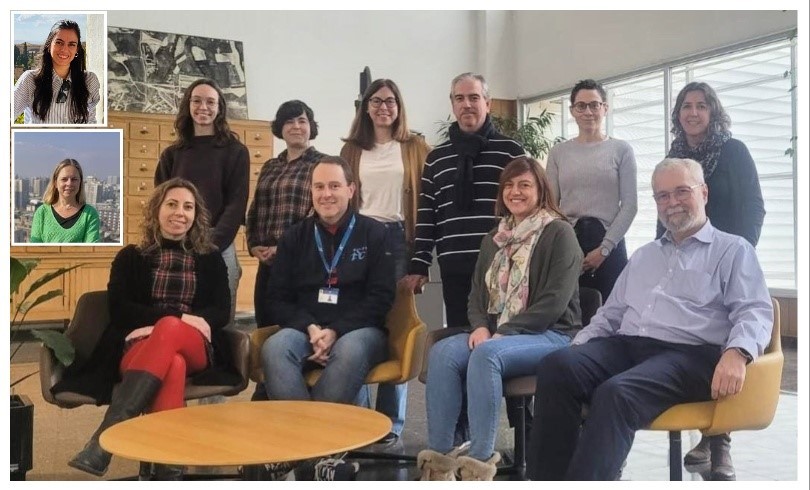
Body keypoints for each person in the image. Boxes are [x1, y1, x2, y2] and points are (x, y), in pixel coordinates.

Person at [526, 158, 773, 481]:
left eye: (682, 192)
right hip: (628, 346)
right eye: (663, 196)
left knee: (617, 393)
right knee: (557, 366)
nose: (672, 203)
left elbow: (755, 310)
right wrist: (578, 347)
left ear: (704, 193)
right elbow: (611, 314)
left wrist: (737, 353)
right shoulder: (645, 255)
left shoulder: (733, 251)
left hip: (690, 355)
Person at [417, 157, 582, 481]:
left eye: (524, 185)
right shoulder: (495, 237)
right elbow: (476, 294)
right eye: (508, 185)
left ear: (540, 190)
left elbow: (553, 302)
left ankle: (478, 466)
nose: (515, 191)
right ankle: (438, 466)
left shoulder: (559, 233)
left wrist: (503, 332)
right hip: (496, 333)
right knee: (443, 352)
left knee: (485, 354)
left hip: (550, 334)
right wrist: (480, 325)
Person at [61, 178, 235, 479]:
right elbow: (120, 309)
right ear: (156, 210)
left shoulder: (210, 258)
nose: (179, 212)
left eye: (188, 207)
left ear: (196, 216)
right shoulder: (131, 257)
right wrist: (181, 318)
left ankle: (108, 434)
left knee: (170, 332)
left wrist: (174, 323)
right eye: (172, 204)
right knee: (173, 364)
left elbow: (220, 311)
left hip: (196, 346)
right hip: (137, 347)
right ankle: (166, 469)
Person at [400, 72, 524, 444]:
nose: (467, 105)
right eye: (459, 98)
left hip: (505, 270)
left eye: (474, 97)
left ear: (487, 102)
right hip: (455, 269)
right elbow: (428, 216)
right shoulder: (436, 159)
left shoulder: (511, 152)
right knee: (464, 347)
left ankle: (523, 424)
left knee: (507, 343)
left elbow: (525, 209)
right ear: (452, 104)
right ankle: (465, 426)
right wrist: (419, 263)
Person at [258, 156, 394, 480]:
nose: (326, 194)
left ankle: (298, 452)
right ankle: (318, 460)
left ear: (350, 189)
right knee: (275, 348)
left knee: (349, 351)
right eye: (319, 186)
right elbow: (276, 297)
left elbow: (381, 298)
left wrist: (335, 330)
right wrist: (310, 327)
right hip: (306, 327)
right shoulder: (294, 237)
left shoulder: (375, 234)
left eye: (334, 185)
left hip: (360, 330)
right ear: (311, 191)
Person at [658, 81, 767, 480]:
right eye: (686, 106)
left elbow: (754, 206)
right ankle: (706, 425)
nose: (693, 113)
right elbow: (665, 213)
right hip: (685, 265)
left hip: (728, 262)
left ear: (712, 111)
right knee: (694, 342)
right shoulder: (675, 156)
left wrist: (739, 254)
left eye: (701, 106)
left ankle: (720, 444)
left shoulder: (733, 151)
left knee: (726, 344)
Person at [340, 78, 431, 445]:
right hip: (358, 238)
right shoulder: (351, 150)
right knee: (357, 321)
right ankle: (361, 418)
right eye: (376, 101)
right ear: (365, 107)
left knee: (396, 326)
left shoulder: (415, 146)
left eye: (390, 101)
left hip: (398, 239)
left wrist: (421, 260)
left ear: (399, 106)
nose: (383, 107)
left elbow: (430, 203)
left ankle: (391, 423)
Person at [155, 78, 249, 331]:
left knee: (221, 313)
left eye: (211, 102)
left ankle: (223, 362)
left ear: (220, 108)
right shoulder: (172, 154)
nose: (203, 107)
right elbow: (161, 202)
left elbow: (237, 202)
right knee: (175, 310)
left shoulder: (235, 151)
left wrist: (211, 243)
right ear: (188, 105)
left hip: (218, 244)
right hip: (177, 241)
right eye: (197, 101)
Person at [546, 79, 637, 302]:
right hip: (569, 244)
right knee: (572, 314)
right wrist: (568, 248)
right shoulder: (558, 153)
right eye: (581, 106)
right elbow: (550, 206)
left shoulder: (621, 150)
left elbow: (630, 205)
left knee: (614, 315)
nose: (588, 111)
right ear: (572, 111)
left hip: (610, 243)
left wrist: (604, 250)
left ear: (605, 108)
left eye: (594, 105)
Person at [246, 100, 327, 332]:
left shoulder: (322, 163)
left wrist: (284, 247)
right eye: (289, 121)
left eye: (302, 120)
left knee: (297, 325)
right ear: (280, 128)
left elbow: (319, 213)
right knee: (265, 323)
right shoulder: (271, 166)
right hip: (267, 261)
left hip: (302, 259)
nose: (296, 126)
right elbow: (256, 209)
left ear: (311, 126)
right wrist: (254, 246)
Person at [13, 19, 101, 124]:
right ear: (49, 45)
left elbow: (91, 122)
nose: (64, 49)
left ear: (77, 49)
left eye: (71, 44)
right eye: (59, 42)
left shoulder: (89, 80)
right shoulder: (30, 80)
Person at [30, 158, 100, 243]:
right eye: (64, 179)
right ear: (55, 183)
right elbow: (35, 248)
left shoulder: (89, 214)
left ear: (80, 183)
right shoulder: (42, 213)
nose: (69, 183)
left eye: (74, 179)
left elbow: (91, 250)